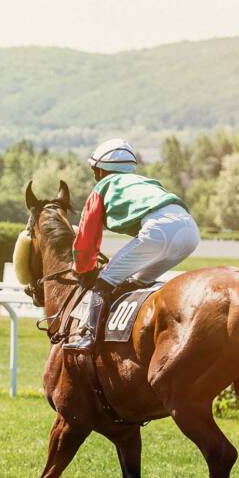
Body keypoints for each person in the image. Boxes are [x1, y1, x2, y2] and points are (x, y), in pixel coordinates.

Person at [64, 138, 200, 353]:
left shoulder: (102, 186)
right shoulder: (146, 182)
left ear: (100, 170)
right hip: (190, 232)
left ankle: (89, 337)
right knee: (137, 282)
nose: (95, 176)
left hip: (159, 231)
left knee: (104, 280)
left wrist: (82, 268)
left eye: (95, 170)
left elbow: (87, 235)